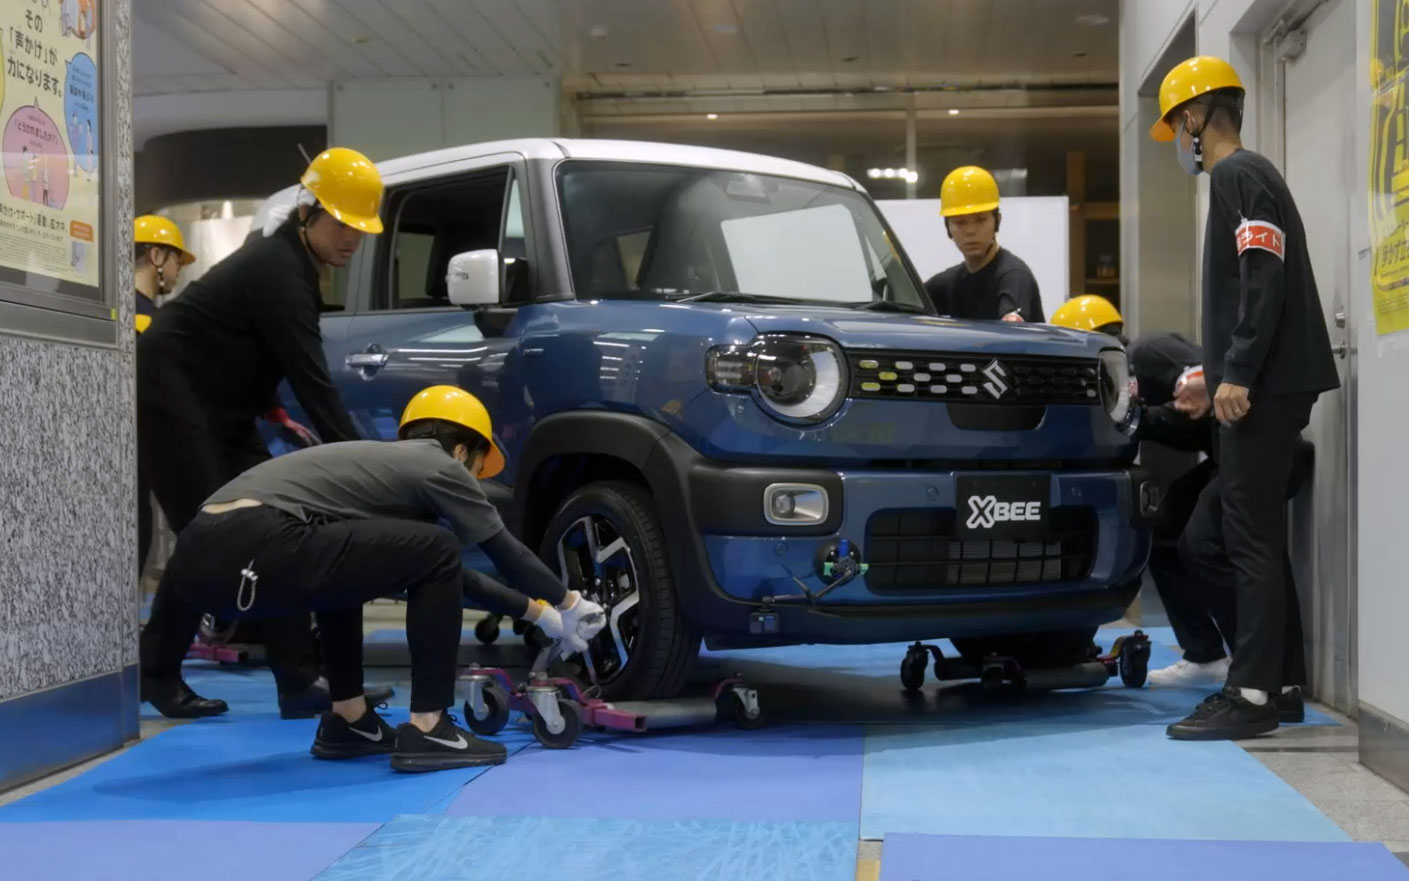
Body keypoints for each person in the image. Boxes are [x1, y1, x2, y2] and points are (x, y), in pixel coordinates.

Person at [146, 386, 606, 771]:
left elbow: (448, 578)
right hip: (258, 541)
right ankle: (430, 729)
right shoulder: (439, 465)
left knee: (353, 573)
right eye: (477, 470)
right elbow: (503, 552)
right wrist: (569, 603)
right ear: (462, 451)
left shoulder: (366, 477)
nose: (473, 485)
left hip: (197, 560)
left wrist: (539, 614)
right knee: (438, 545)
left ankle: (350, 722)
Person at [136, 147, 386, 720]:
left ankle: (298, 681)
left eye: (360, 228)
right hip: (171, 394)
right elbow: (314, 381)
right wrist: (370, 466)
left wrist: (269, 407)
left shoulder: (292, 267)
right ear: (308, 212)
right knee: (214, 533)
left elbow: (244, 344)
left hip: (218, 406)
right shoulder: (280, 272)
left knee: (271, 524)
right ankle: (158, 670)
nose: (352, 239)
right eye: (342, 224)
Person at [1150, 56, 1339, 741]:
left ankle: (1251, 693)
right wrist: (1218, 370)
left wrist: (1239, 373)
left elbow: (1264, 274)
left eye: (1176, 126)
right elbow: (1252, 286)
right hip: (1266, 381)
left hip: (1264, 388)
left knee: (1243, 539)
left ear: (1194, 118)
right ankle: (1279, 683)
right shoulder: (1247, 177)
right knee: (1250, 536)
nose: (1178, 141)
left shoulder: (1238, 175)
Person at [132, 216, 197, 574]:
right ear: (156, 256)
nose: (177, 270)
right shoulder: (146, 322)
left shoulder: (131, 316)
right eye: (176, 260)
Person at [923, 165, 1044, 322]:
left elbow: (1013, 325)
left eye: (981, 220)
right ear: (947, 227)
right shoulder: (951, 282)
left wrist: (1012, 318)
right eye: (960, 222)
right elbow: (910, 302)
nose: (970, 231)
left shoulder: (1014, 276)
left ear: (997, 221)